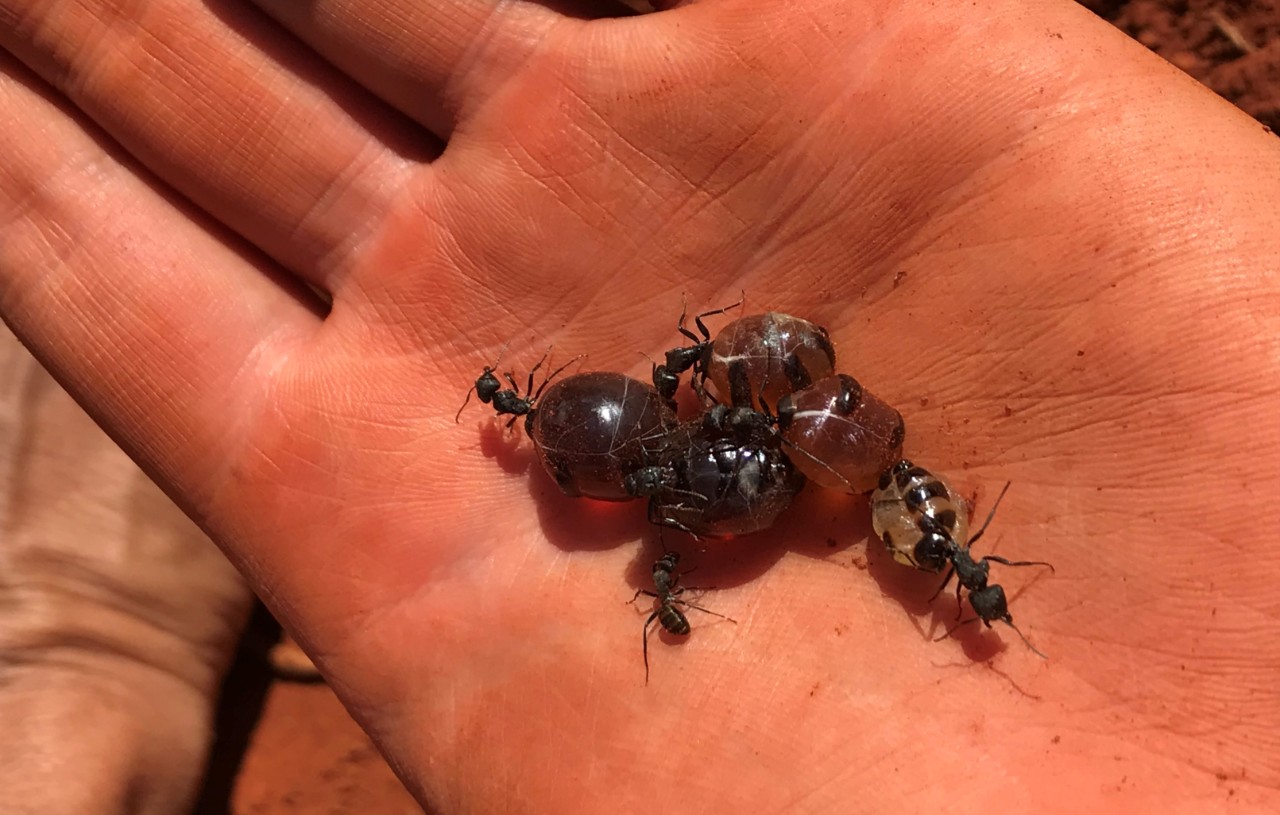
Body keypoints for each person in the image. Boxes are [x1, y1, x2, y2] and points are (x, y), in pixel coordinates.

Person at [1, 0, 1277, 811]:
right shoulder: (697, 463)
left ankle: (87, 633)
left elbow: (673, 494)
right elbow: (676, 494)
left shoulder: (693, 463)